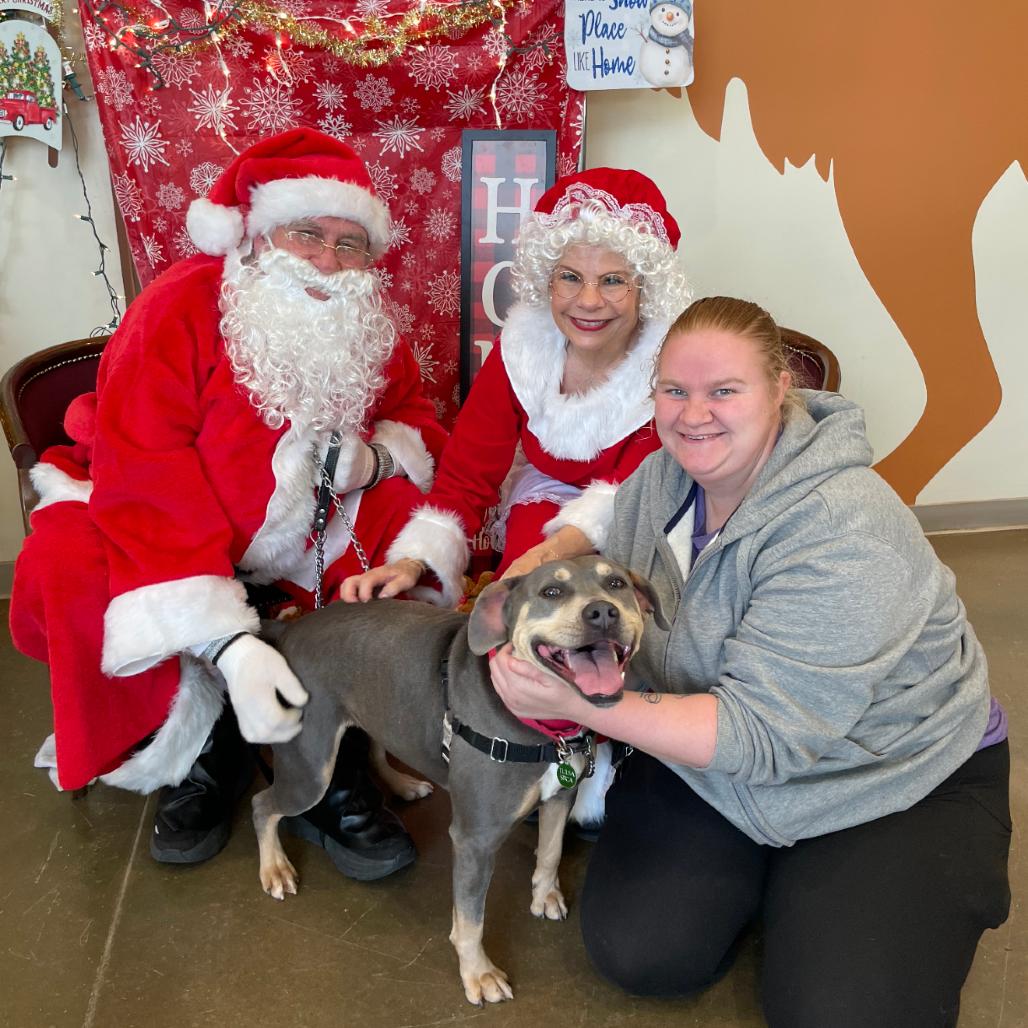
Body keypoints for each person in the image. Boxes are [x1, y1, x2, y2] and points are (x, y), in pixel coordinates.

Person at [488, 296, 1011, 1026]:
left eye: (723, 390)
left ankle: (837, 889)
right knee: (642, 953)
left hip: (886, 776)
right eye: (674, 390)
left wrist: (577, 705)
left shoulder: (844, 528)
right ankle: (782, 884)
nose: (693, 413)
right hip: (719, 767)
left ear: (779, 389)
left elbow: (766, 735)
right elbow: (611, 564)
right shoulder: (656, 485)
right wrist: (544, 565)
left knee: (843, 1014)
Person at [9, 128, 447, 878]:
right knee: (70, 559)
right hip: (171, 513)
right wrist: (226, 641)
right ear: (255, 231)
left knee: (410, 535)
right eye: (307, 232)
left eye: (350, 244)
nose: (327, 260)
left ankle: (333, 755)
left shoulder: (365, 320)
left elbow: (417, 417)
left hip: (303, 524)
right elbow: (143, 465)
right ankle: (205, 750)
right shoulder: (177, 306)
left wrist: (373, 462)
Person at [340, 167, 689, 608]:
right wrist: (413, 560)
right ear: (547, 278)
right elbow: (467, 475)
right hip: (546, 494)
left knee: (609, 601)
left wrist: (539, 561)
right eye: (570, 277)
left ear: (645, 286)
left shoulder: (672, 363)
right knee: (521, 607)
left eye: (613, 280)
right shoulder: (523, 346)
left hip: (643, 509)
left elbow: (631, 494)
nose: (588, 301)